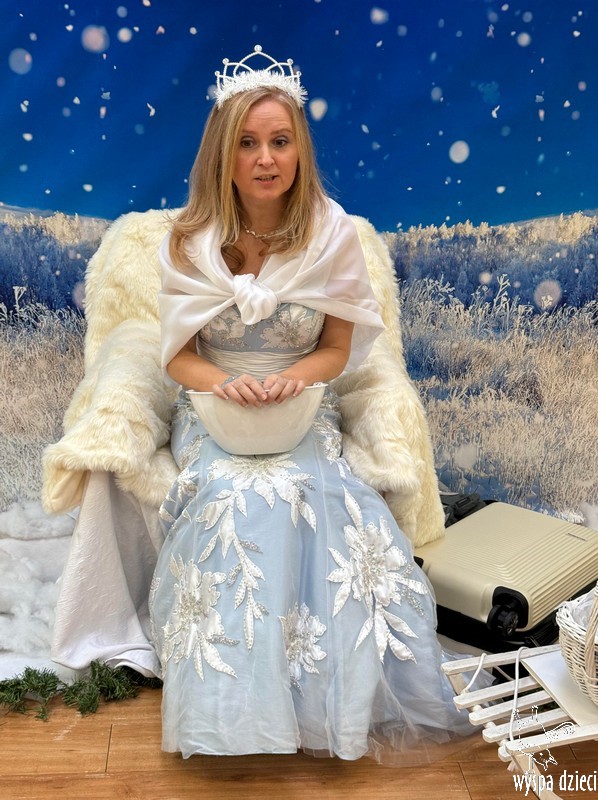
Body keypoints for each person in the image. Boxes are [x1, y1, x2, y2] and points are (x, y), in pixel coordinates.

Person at [149, 45, 476, 763]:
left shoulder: (333, 235)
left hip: (302, 402)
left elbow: (337, 348)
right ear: (223, 154)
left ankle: (320, 699)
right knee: (234, 495)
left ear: (300, 149)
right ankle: (235, 709)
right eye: (247, 143)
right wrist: (221, 382)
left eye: (280, 141)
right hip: (213, 406)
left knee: (315, 492)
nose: (266, 159)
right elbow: (176, 356)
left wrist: (295, 379)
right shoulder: (188, 240)